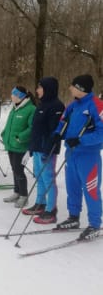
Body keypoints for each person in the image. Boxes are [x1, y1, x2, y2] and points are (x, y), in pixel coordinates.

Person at [54, 74, 103, 240]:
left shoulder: (97, 105)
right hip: (71, 154)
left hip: (88, 156)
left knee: (90, 190)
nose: (70, 88)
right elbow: (62, 122)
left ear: (81, 88)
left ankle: (95, 224)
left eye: (72, 86)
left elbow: (101, 132)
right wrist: (56, 135)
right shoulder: (73, 105)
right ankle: (73, 217)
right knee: (72, 187)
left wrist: (81, 140)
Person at [22, 77, 65, 224]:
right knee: (39, 177)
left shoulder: (56, 106)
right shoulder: (42, 104)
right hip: (38, 148)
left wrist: (48, 149)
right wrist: (31, 148)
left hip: (47, 150)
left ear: (48, 89)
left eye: (40, 87)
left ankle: (51, 211)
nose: (37, 90)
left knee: (48, 180)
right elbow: (36, 129)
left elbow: (54, 131)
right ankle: (41, 204)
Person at [1, 86, 36, 208]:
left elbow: (32, 128)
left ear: (21, 97)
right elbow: (9, 125)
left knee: (19, 171)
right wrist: (4, 133)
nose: (11, 96)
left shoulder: (31, 109)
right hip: (11, 145)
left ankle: (24, 196)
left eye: (14, 95)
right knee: (14, 170)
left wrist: (20, 137)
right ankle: (16, 192)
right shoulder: (14, 109)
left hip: (20, 146)